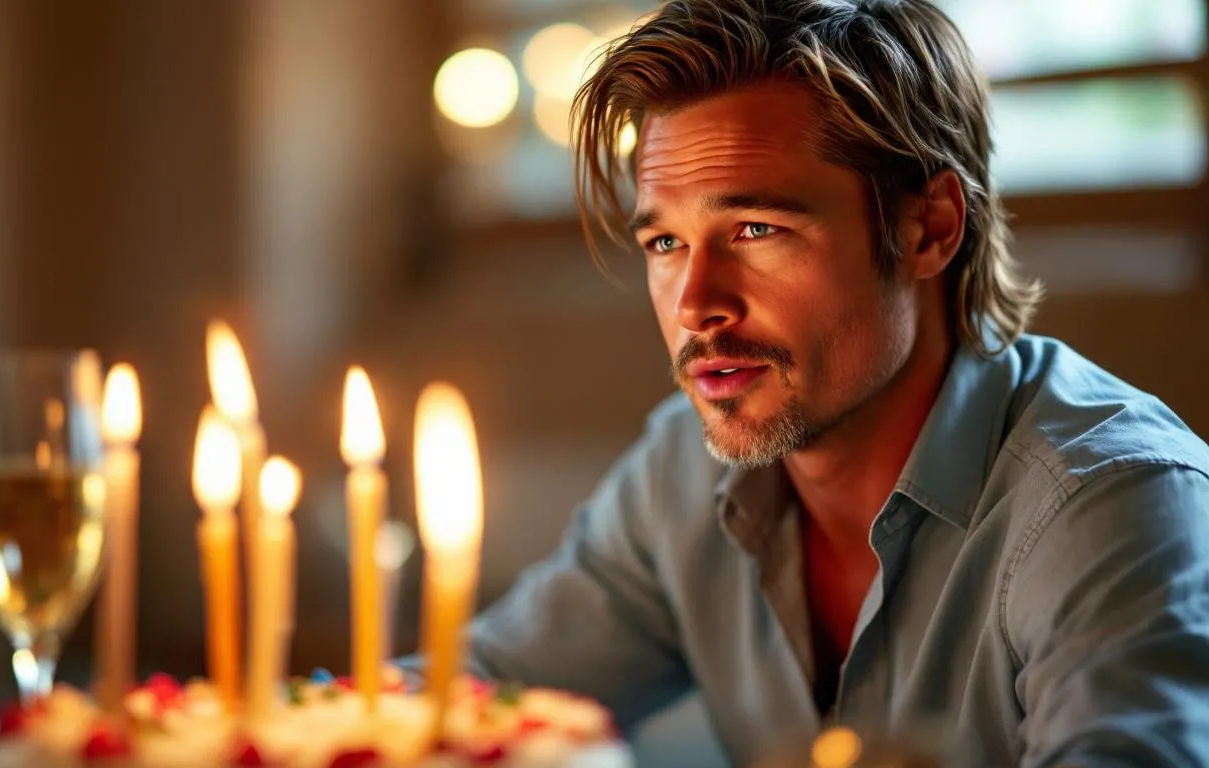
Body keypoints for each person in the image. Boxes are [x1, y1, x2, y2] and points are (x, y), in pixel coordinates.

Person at [452, 1, 1209, 766]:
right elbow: (469, 699)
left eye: (755, 229)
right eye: (666, 241)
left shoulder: (1116, 504)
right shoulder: (683, 469)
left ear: (929, 228)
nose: (694, 304)